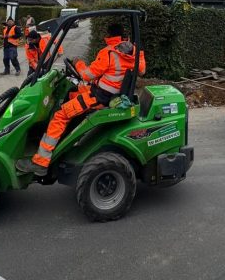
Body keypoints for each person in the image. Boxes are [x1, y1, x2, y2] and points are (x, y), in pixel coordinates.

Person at [19, 23, 146, 176]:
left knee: (60, 114)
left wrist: (78, 63)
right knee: (72, 94)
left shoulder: (109, 53)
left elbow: (87, 75)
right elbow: (142, 70)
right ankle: (62, 135)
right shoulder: (132, 52)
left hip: (99, 97)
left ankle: (41, 162)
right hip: (110, 94)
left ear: (109, 35)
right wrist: (140, 52)